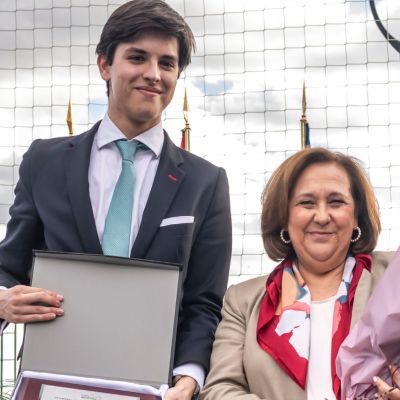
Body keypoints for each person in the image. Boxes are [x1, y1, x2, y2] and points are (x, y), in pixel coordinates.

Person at [0, 1, 232, 399]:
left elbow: (204, 303)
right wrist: (4, 301)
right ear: (105, 65)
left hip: (157, 387)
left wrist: (190, 379)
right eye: (138, 58)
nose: (153, 74)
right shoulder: (44, 162)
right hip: (53, 381)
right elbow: (9, 266)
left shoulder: (205, 182)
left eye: (167, 63)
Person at [201, 148, 400, 400]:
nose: (321, 216)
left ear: (356, 217)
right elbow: (219, 389)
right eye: (306, 203)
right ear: (284, 216)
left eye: (336, 202)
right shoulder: (242, 301)